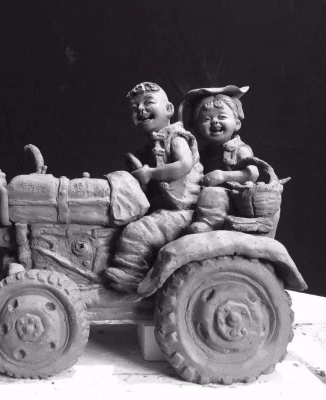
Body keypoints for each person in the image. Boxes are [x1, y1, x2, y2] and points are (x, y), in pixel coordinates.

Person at [105, 82, 203, 292]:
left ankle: (132, 276)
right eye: (135, 107)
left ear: (169, 109)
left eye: (148, 102)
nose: (141, 109)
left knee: (138, 232)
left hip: (184, 212)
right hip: (163, 210)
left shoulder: (175, 138)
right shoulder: (149, 148)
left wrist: (150, 173)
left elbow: (184, 165)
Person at [178, 85, 259, 233]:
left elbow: (252, 173)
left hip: (232, 200)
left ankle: (208, 223)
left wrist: (222, 176)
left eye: (222, 117)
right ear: (196, 128)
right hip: (202, 199)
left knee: (212, 193)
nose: (215, 121)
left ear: (237, 124)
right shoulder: (201, 153)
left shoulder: (239, 149)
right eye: (207, 119)